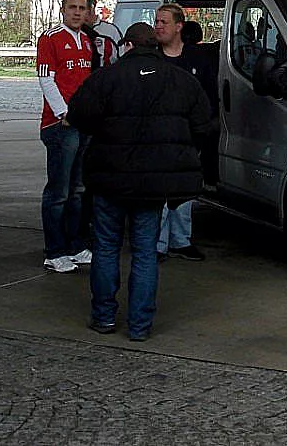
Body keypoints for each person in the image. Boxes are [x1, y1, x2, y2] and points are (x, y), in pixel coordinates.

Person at [66, 22, 215, 341]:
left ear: (128, 46)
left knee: (106, 247)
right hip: (154, 184)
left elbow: (78, 116)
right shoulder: (181, 80)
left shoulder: (106, 77)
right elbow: (205, 125)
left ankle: (104, 318)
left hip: (109, 179)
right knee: (145, 250)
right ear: (155, 46)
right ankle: (140, 326)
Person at [36, 0, 111, 273]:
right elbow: (46, 78)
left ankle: (75, 245)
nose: (77, 12)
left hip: (84, 123)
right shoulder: (51, 38)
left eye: (82, 8)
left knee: (78, 189)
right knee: (59, 191)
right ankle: (54, 251)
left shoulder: (88, 42)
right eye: (72, 7)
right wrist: (63, 112)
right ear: (63, 10)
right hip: (61, 125)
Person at [153, 2, 219, 261]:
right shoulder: (151, 57)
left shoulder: (198, 58)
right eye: (156, 22)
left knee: (184, 189)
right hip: (157, 137)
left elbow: (208, 97)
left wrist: (205, 127)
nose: (158, 26)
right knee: (158, 190)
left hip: (188, 137)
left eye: (164, 22)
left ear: (178, 26)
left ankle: (181, 241)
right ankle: (157, 243)